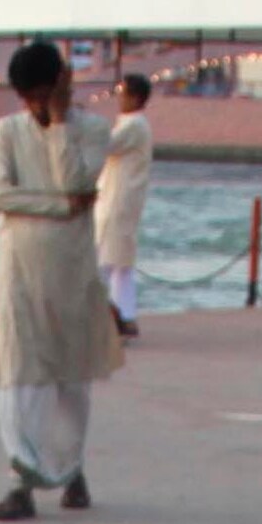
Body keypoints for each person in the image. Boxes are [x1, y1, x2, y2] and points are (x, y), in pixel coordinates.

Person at [0, 40, 119, 521]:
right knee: (20, 373)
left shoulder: (94, 130)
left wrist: (60, 123)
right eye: (28, 98)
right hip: (18, 270)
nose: (33, 108)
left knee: (70, 378)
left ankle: (70, 467)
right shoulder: (6, 132)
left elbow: (76, 182)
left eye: (42, 95)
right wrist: (59, 208)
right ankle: (21, 479)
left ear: (62, 84)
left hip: (71, 270)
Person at [99, 69, 153, 334]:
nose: (119, 98)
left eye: (123, 93)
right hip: (124, 200)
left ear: (135, 97)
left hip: (116, 200)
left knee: (105, 259)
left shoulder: (133, 125)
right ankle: (126, 313)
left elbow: (105, 145)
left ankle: (99, 314)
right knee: (121, 262)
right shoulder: (135, 124)